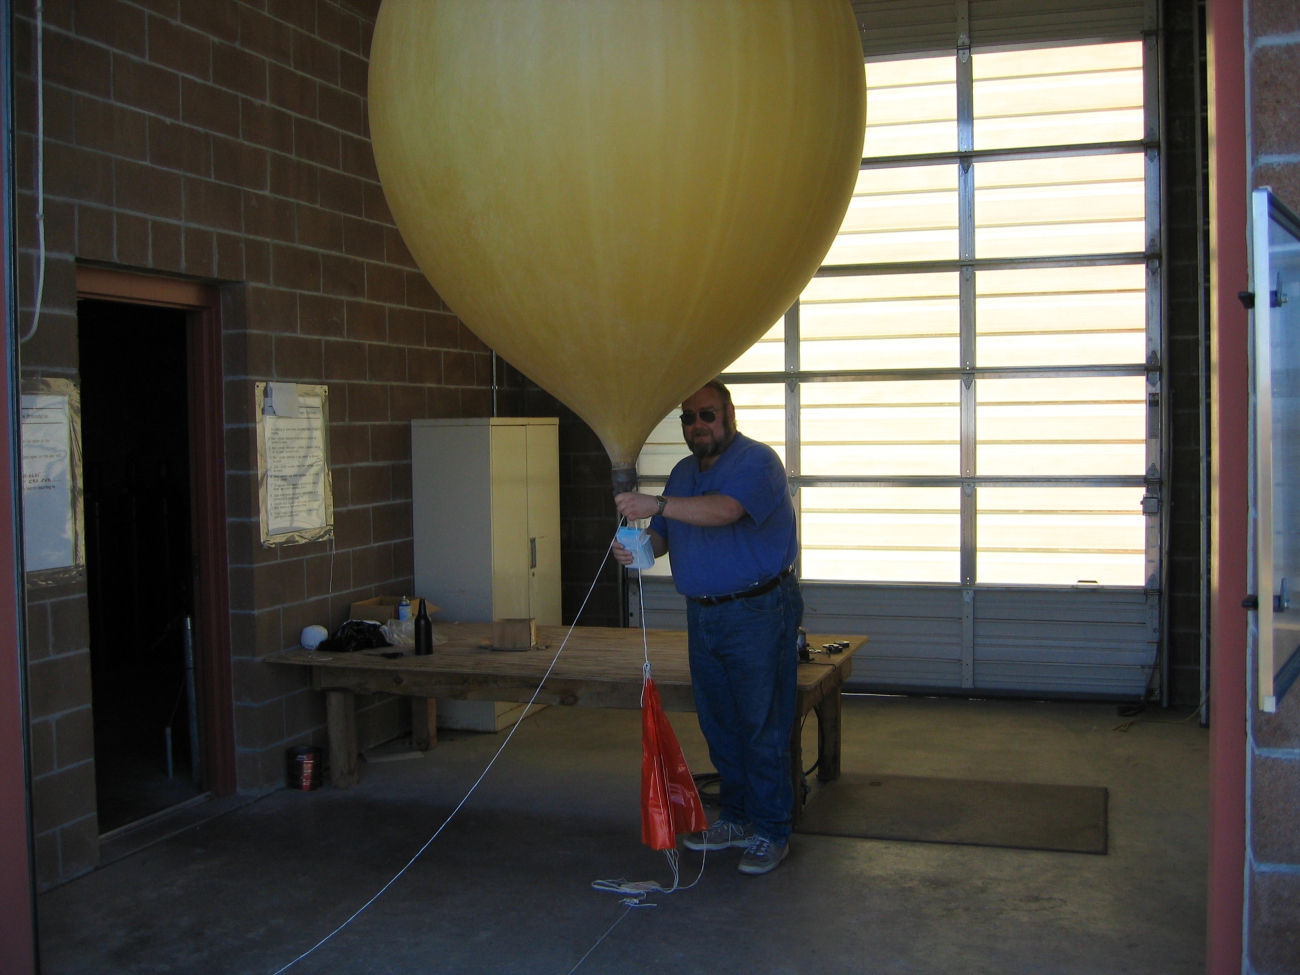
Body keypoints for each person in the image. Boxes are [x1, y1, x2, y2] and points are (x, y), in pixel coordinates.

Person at [613, 379, 801, 875]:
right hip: (704, 614)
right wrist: (638, 543)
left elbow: (727, 510)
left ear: (729, 414)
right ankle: (737, 818)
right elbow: (666, 534)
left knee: (762, 724)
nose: (700, 425)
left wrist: (655, 505)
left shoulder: (758, 462)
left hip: (757, 612)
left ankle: (771, 830)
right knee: (720, 723)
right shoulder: (680, 473)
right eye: (689, 418)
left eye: (708, 415)